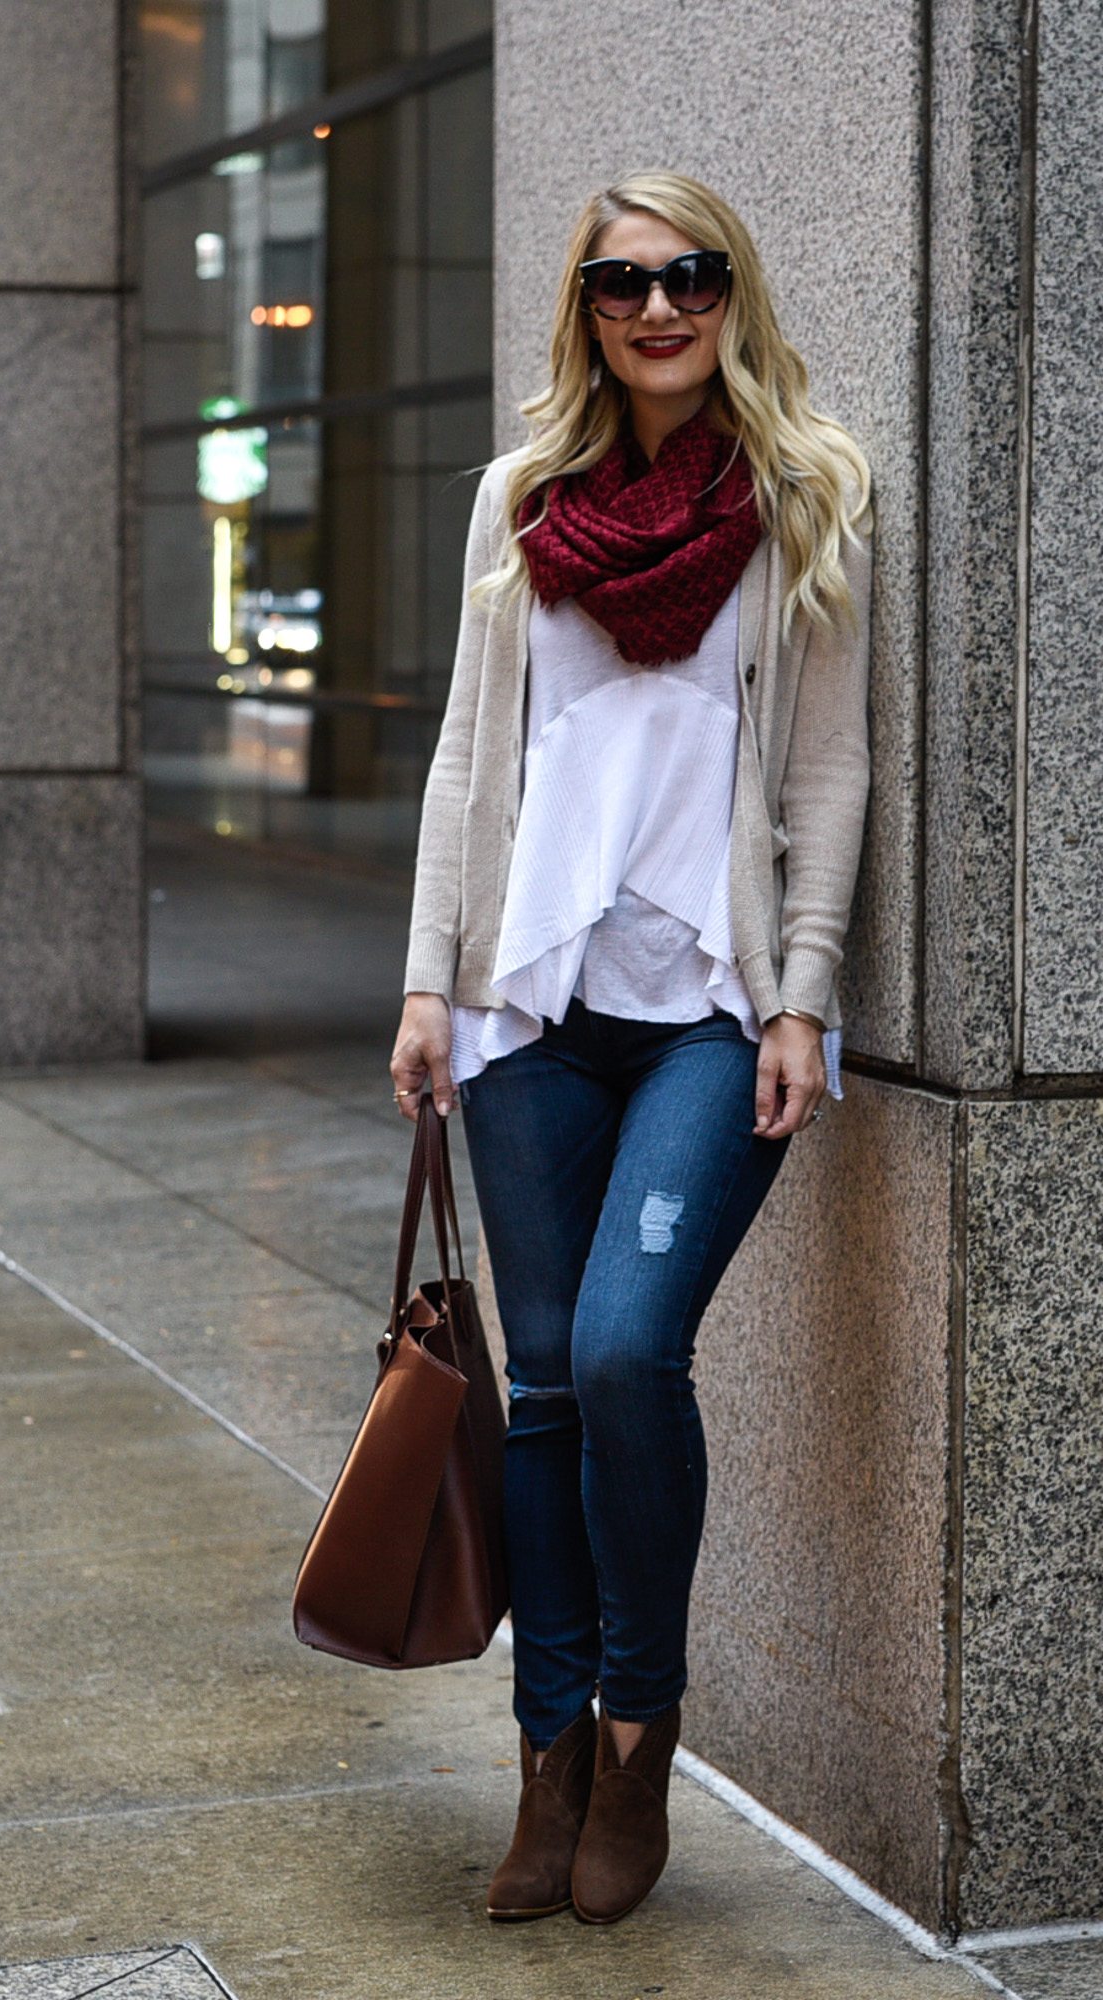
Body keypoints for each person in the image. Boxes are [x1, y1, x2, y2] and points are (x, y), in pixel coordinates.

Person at [389, 171, 872, 1926]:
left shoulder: (805, 500)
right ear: (580, 308)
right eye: (620, 282)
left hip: (706, 1018)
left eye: (691, 276)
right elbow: (463, 755)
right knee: (536, 1393)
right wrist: (431, 979)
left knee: (618, 1351)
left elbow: (828, 772)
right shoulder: (522, 506)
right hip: (529, 1009)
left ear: (734, 293)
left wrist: (804, 992)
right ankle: (548, 1756)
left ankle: (642, 1727)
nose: (657, 308)